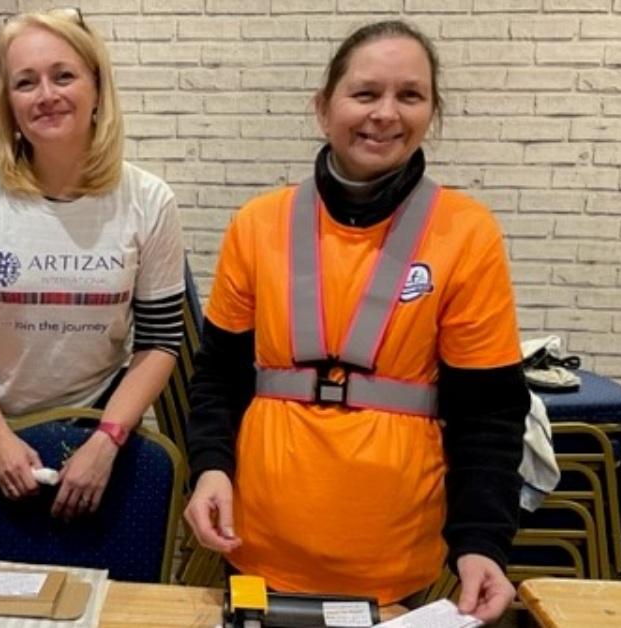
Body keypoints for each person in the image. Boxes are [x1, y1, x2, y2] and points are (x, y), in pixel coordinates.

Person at [183, 20, 528, 623]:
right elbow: (218, 376)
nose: (385, 114)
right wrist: (210, 466)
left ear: (432, 112)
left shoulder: (465, 234)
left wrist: (482, 543)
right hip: (256, 551)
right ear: (323, 108)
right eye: (365, 94)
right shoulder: (258, 225)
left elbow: (489, 413)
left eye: (410, 96)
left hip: (395, 569)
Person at [0, 7, 184, 557]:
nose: (46, 94)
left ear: (96, 86)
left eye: (63, 75)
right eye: (26, 82)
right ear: (9, 104)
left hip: (103, 430)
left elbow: (160, 341)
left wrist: (107, 440)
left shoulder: (148, 200)